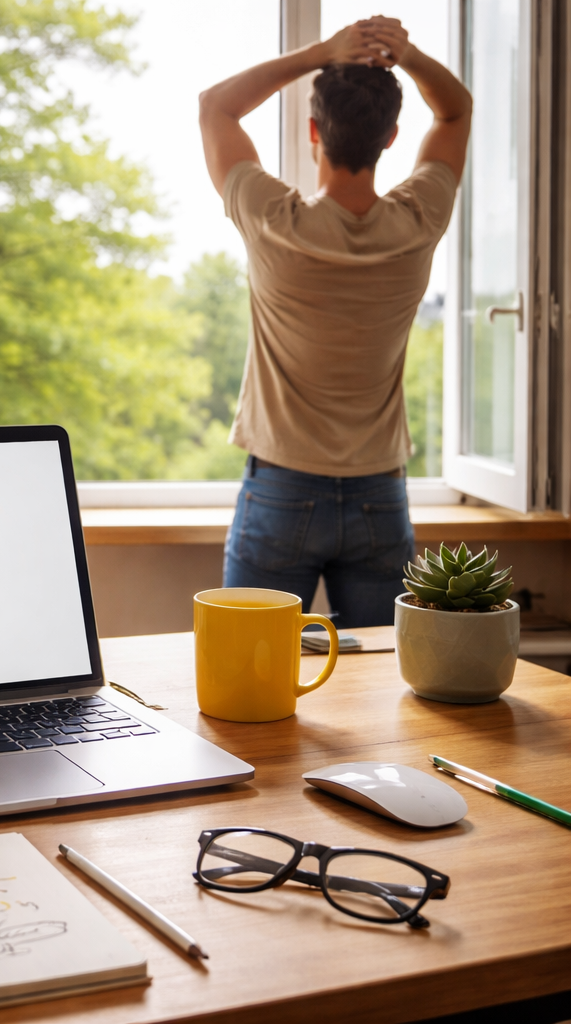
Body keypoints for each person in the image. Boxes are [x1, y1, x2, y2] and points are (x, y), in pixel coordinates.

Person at [198, 16, 472, 627]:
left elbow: (216, 106)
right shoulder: (418, 221)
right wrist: (408, 54)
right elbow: (455, 112)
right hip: (379, 494)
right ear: (391, 137)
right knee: (378, 677)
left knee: (252, 668)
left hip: (281, 489)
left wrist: (321, 51)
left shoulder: (273, 220)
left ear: (313, 131)